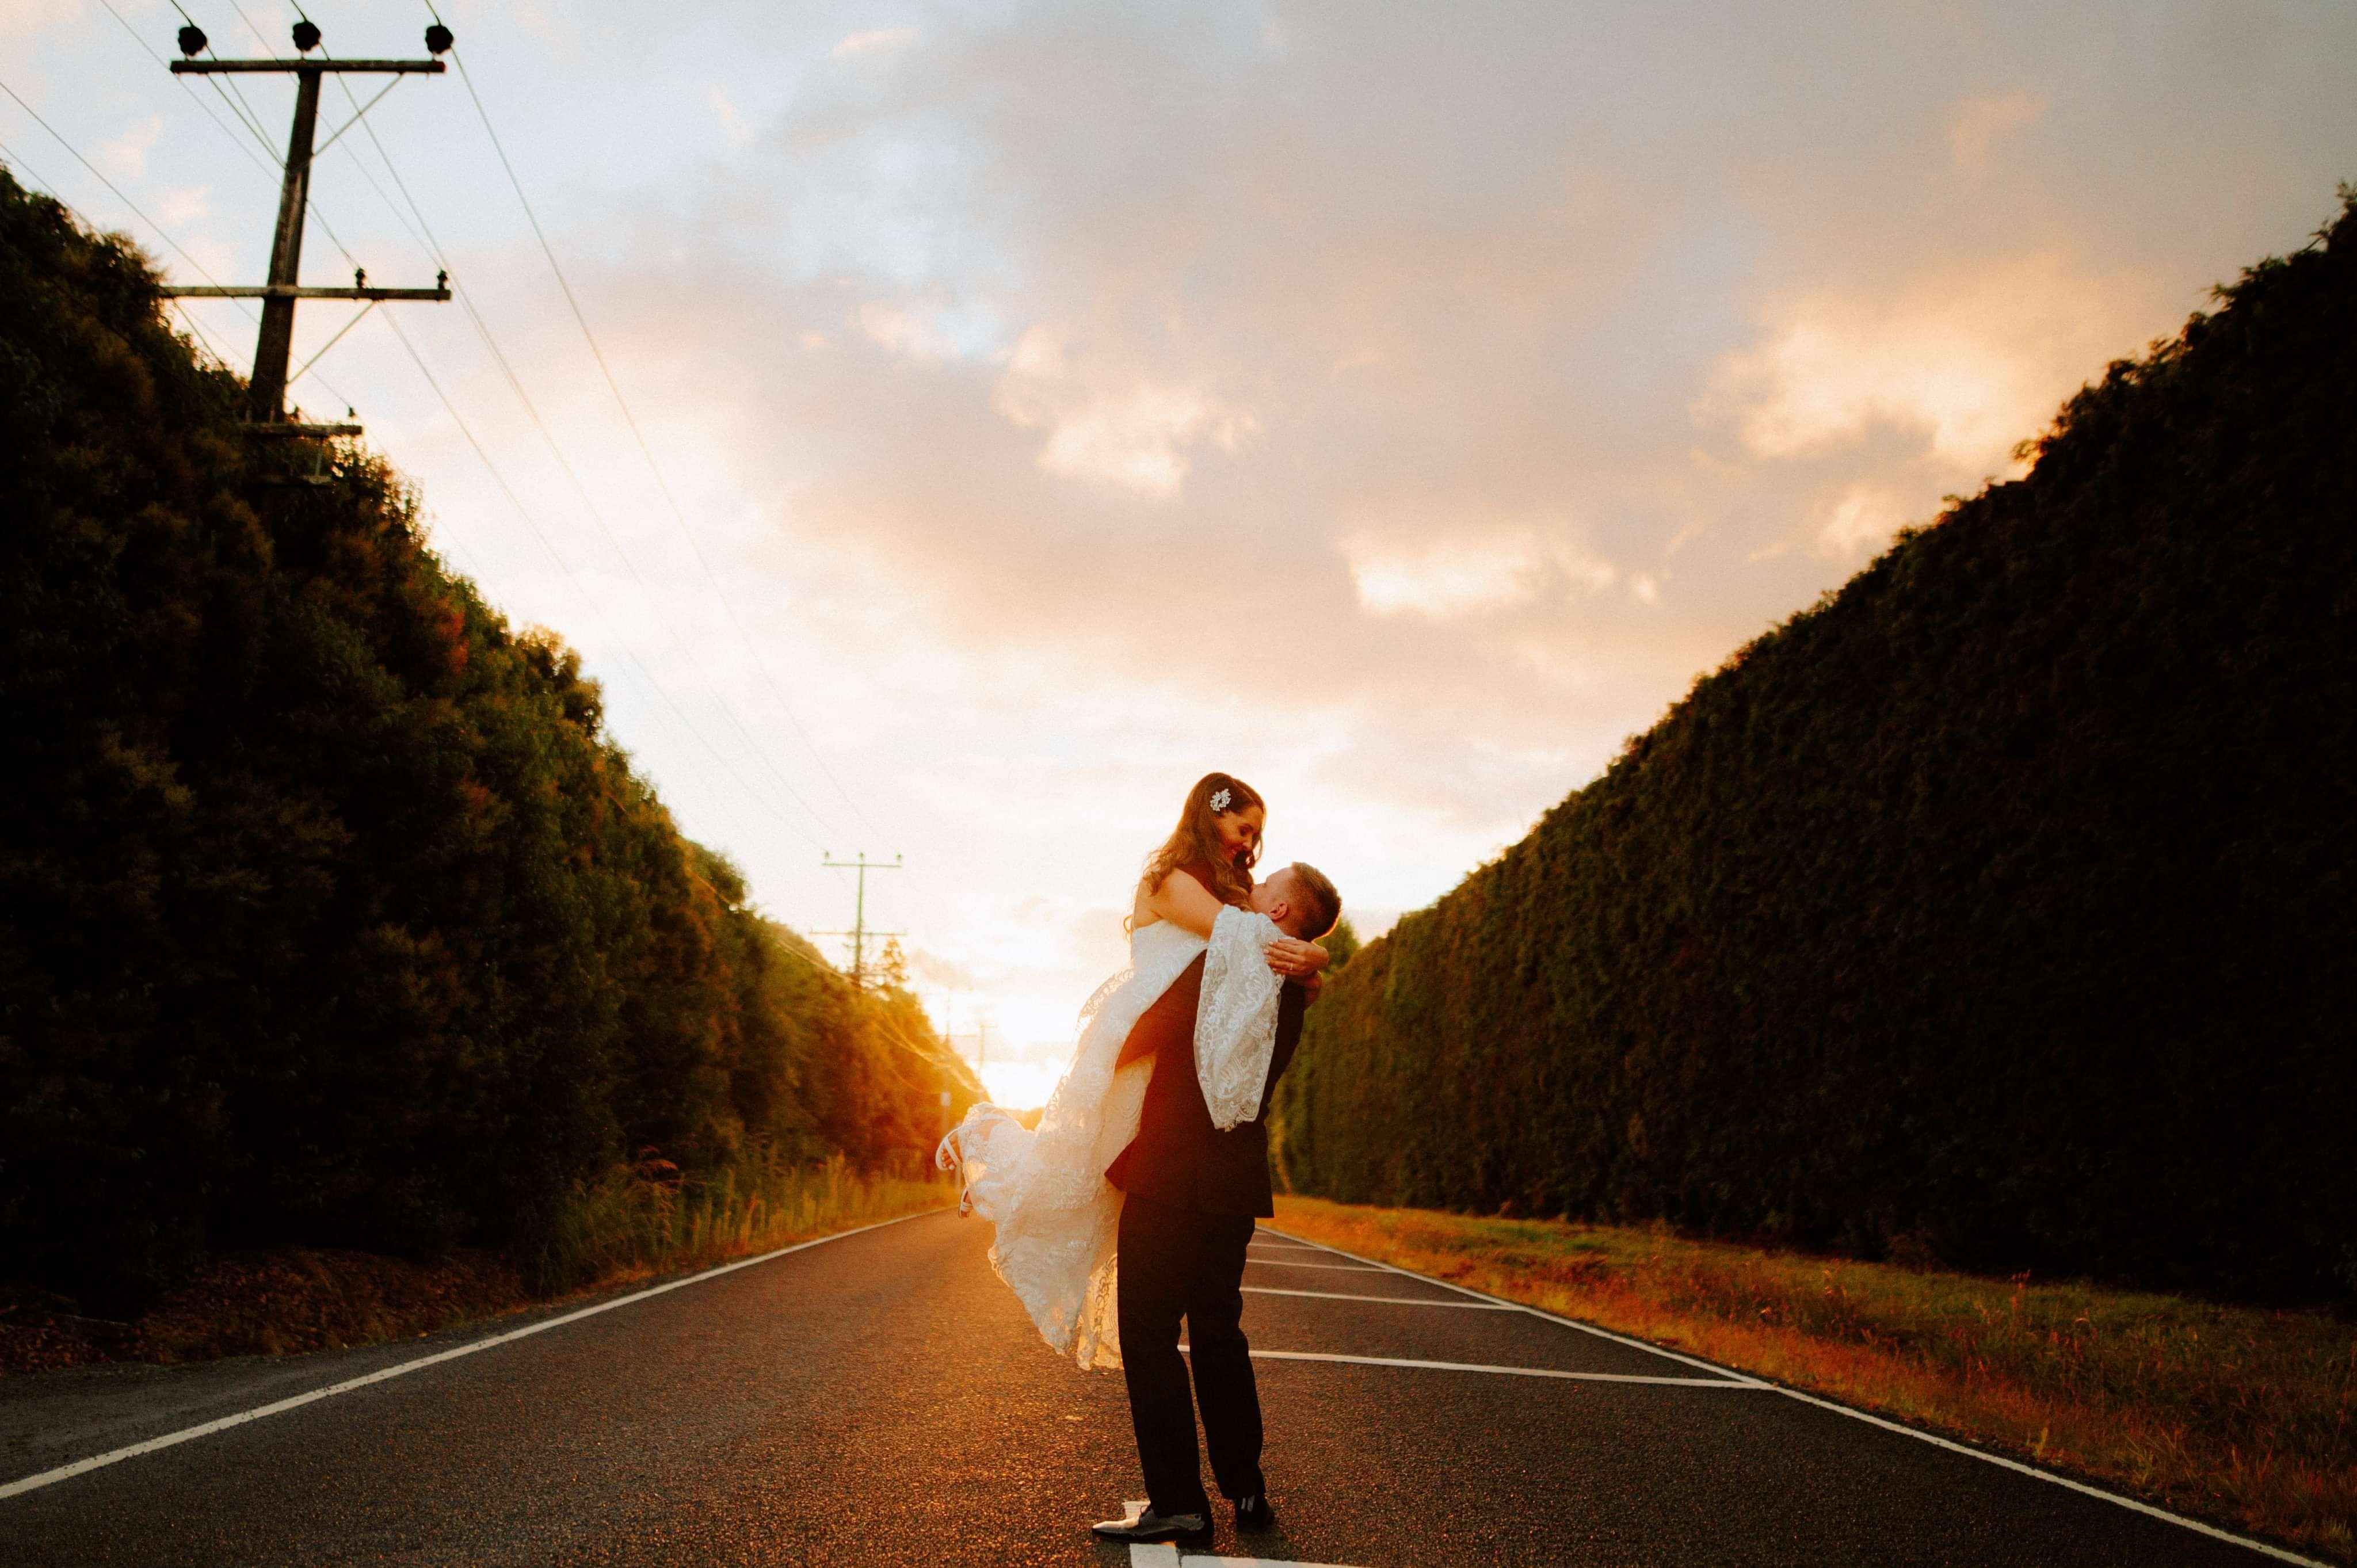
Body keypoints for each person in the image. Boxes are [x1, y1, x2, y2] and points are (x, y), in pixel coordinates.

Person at [932, 772, 1329, 1368]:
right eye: (1242, 827)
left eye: (1257, 834)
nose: (1249, 843)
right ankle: (994, 1150)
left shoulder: (1238, 894)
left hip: (1179, 1054)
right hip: (1140, 1034)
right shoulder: (1171, 882)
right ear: (1209, 813)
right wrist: (1316, 954)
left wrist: (1315, 964)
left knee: (1128, 1199)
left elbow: (1264, 958)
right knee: (1082, 1168)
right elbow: (1240, 938)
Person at [1089, 856, 1342, 1549]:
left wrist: (1090, 1069)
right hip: (1232, 1182)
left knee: (1145, 1333)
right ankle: (1246, 1486)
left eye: (1265, 888)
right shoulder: (1296, 986)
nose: (1249, 892)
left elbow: (1150, 1029)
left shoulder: (1222, 963)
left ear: (1281, 913)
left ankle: (1178, 1504)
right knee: (1218, 1331)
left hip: (1171, 1172)